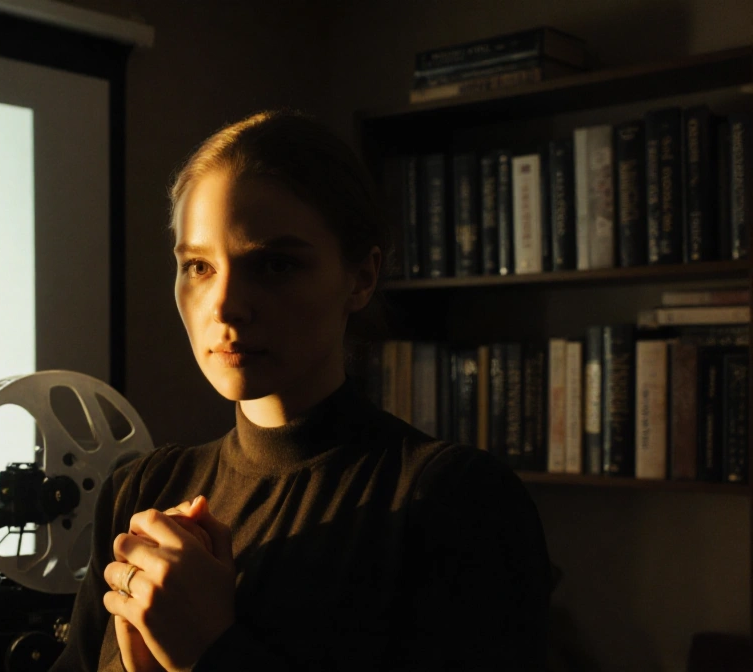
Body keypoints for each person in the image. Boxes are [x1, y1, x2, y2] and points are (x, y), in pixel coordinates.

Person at [51, 110, 552, 671]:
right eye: (198, 265)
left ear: (360, 277)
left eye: (275, 265)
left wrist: (209, 652)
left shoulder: (452, 499)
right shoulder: (140, 490)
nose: (225, 305)